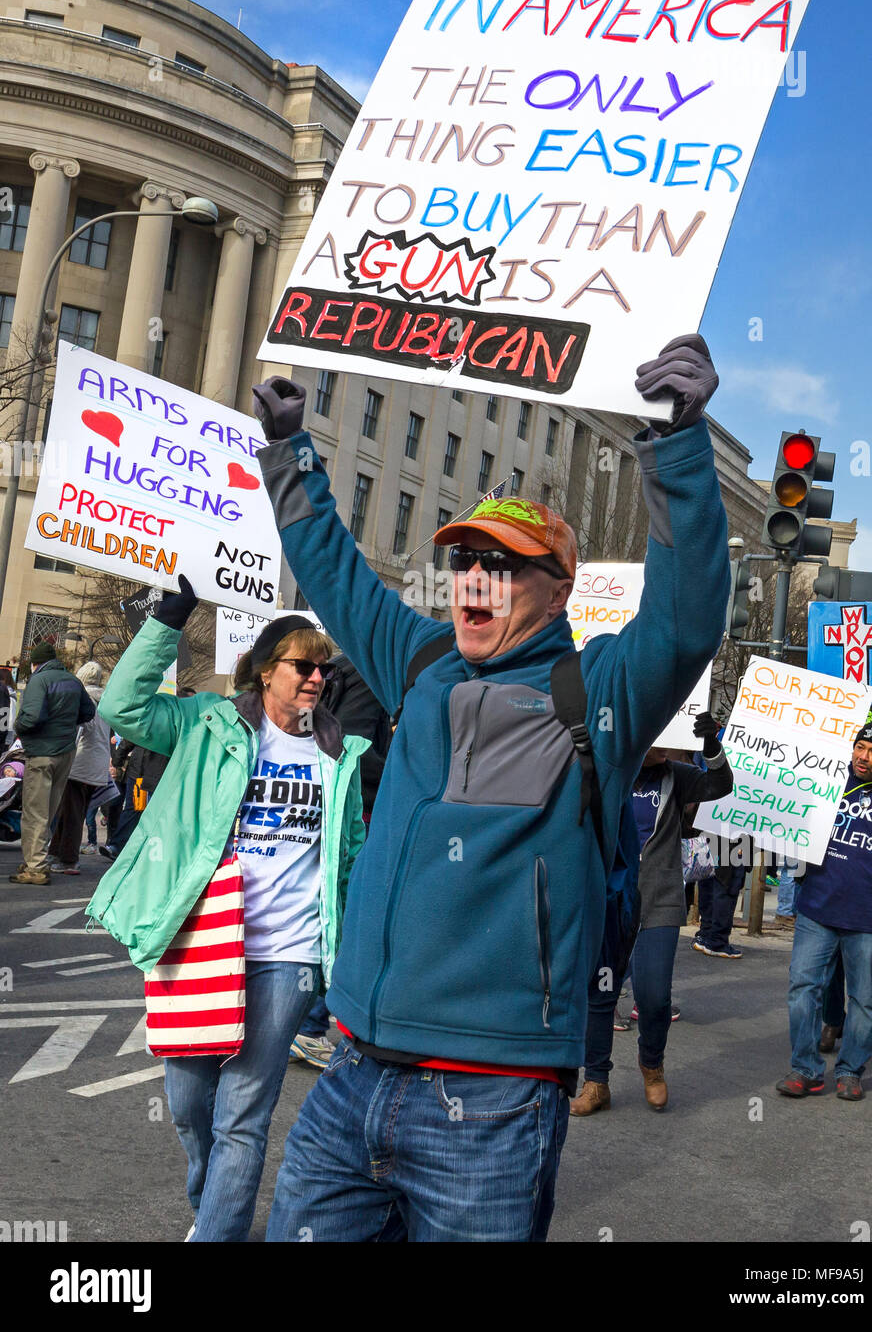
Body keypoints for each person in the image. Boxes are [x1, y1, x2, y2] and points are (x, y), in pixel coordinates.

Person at [250, 331, 729, 1243]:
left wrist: (675, 444)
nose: (477, 577)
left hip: (493, 1104)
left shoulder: (600, 693)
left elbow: (686, 615)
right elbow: (337, 576)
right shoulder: (421, 663)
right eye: (467, 560)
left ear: (559, 593)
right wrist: (288, 456)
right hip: (351, 1073)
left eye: (505, 565)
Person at [86, 599, 367, 1241]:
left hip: (288, 954)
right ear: (265, 671)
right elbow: (122, 708)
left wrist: (348, 951)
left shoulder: (339, 755)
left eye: (324, 670)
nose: (317, 679)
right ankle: (212, 1209)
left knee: (243, 1112)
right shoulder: (206, 724)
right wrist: (168, 621)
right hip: (200, 938)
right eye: (304, 666)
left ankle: (219, 1233)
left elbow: (347, 858)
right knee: (188, 1105)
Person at [572, 714, 732, 1117]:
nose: (662, 747)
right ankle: (596, 1081)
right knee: (600, 994)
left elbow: (721, 784)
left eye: (669, 741)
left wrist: (710, 744)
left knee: (654, 996)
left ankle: (652, 1065)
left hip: (658, 898)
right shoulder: (608, 771)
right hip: (610, 898)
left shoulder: (677, 775)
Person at [777, 720, 872, 1100]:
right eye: (859, 747)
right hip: (817, 910)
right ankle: (805, 1069)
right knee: (802, 987)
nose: (862, 757)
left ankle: (851, 1070)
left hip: (870, 920)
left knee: (865, 999)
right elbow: (794, 828)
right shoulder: (824, 785)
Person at [290, 653, 392, 1069]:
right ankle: (309, 1025)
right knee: (347, 916)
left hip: (332, 802)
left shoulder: (343, 668)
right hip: (355, 808)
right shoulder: (369, 675)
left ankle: (307, 1022)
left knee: (336, 913)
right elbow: (356, 748)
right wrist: (402, 774)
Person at [9, 641, 95, 886]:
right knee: (49, 811)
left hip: (41, 753)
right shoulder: (73, 681)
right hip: (66, 752)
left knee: (34, 812)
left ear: (35, 663)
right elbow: (88, 712)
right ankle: (36, 859)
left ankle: (35, 867)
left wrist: (20, 727)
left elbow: (32, 716)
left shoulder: (39, 680)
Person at [47, 661, 110, 875]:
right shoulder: (105, 701)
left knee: (72, 812)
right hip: (97, 762)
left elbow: (77, 730)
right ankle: (56, 852)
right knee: (71, 810)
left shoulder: (84, 699)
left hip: (81, 762)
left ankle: (68, 859)